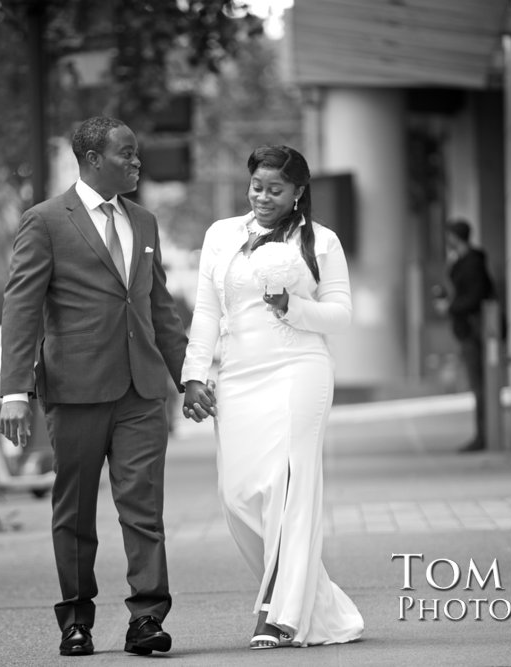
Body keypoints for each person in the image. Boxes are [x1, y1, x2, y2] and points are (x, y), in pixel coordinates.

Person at [0, 116, 189, 657]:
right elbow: (21, 308)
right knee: (75, 511)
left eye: (136, 154)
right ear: (92, 158)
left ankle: (147, 618)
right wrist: (15, 390)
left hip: (140, 392)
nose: (136, 162)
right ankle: (76, 619)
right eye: (126, 154)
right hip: (75, 389)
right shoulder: (44, 221)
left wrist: (187, 378)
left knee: (143, 508)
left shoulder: (145, 222)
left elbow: (158, 308)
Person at [180, 145, 364, 649]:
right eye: (257, 186)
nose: (262, 196)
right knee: (237, 494)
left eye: (275, 189)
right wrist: (194, 373)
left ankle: (279, 614)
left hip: (297, 370)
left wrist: (292, 307)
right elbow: (206, 312)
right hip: (238, 375)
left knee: (288, 487)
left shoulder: (321, 241)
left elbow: (342, 315)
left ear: (298, 192)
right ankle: (320, 607)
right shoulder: (221, 235)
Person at [435, 218, 496, 453]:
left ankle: (485, 435)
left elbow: (473, 297)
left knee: (480, 384)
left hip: (474, 331)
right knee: (478, 384)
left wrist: (450, 307)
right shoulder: (464, 261)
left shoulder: (471, 264)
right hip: (469, 330)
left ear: (454, 237)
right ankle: (484, 433)